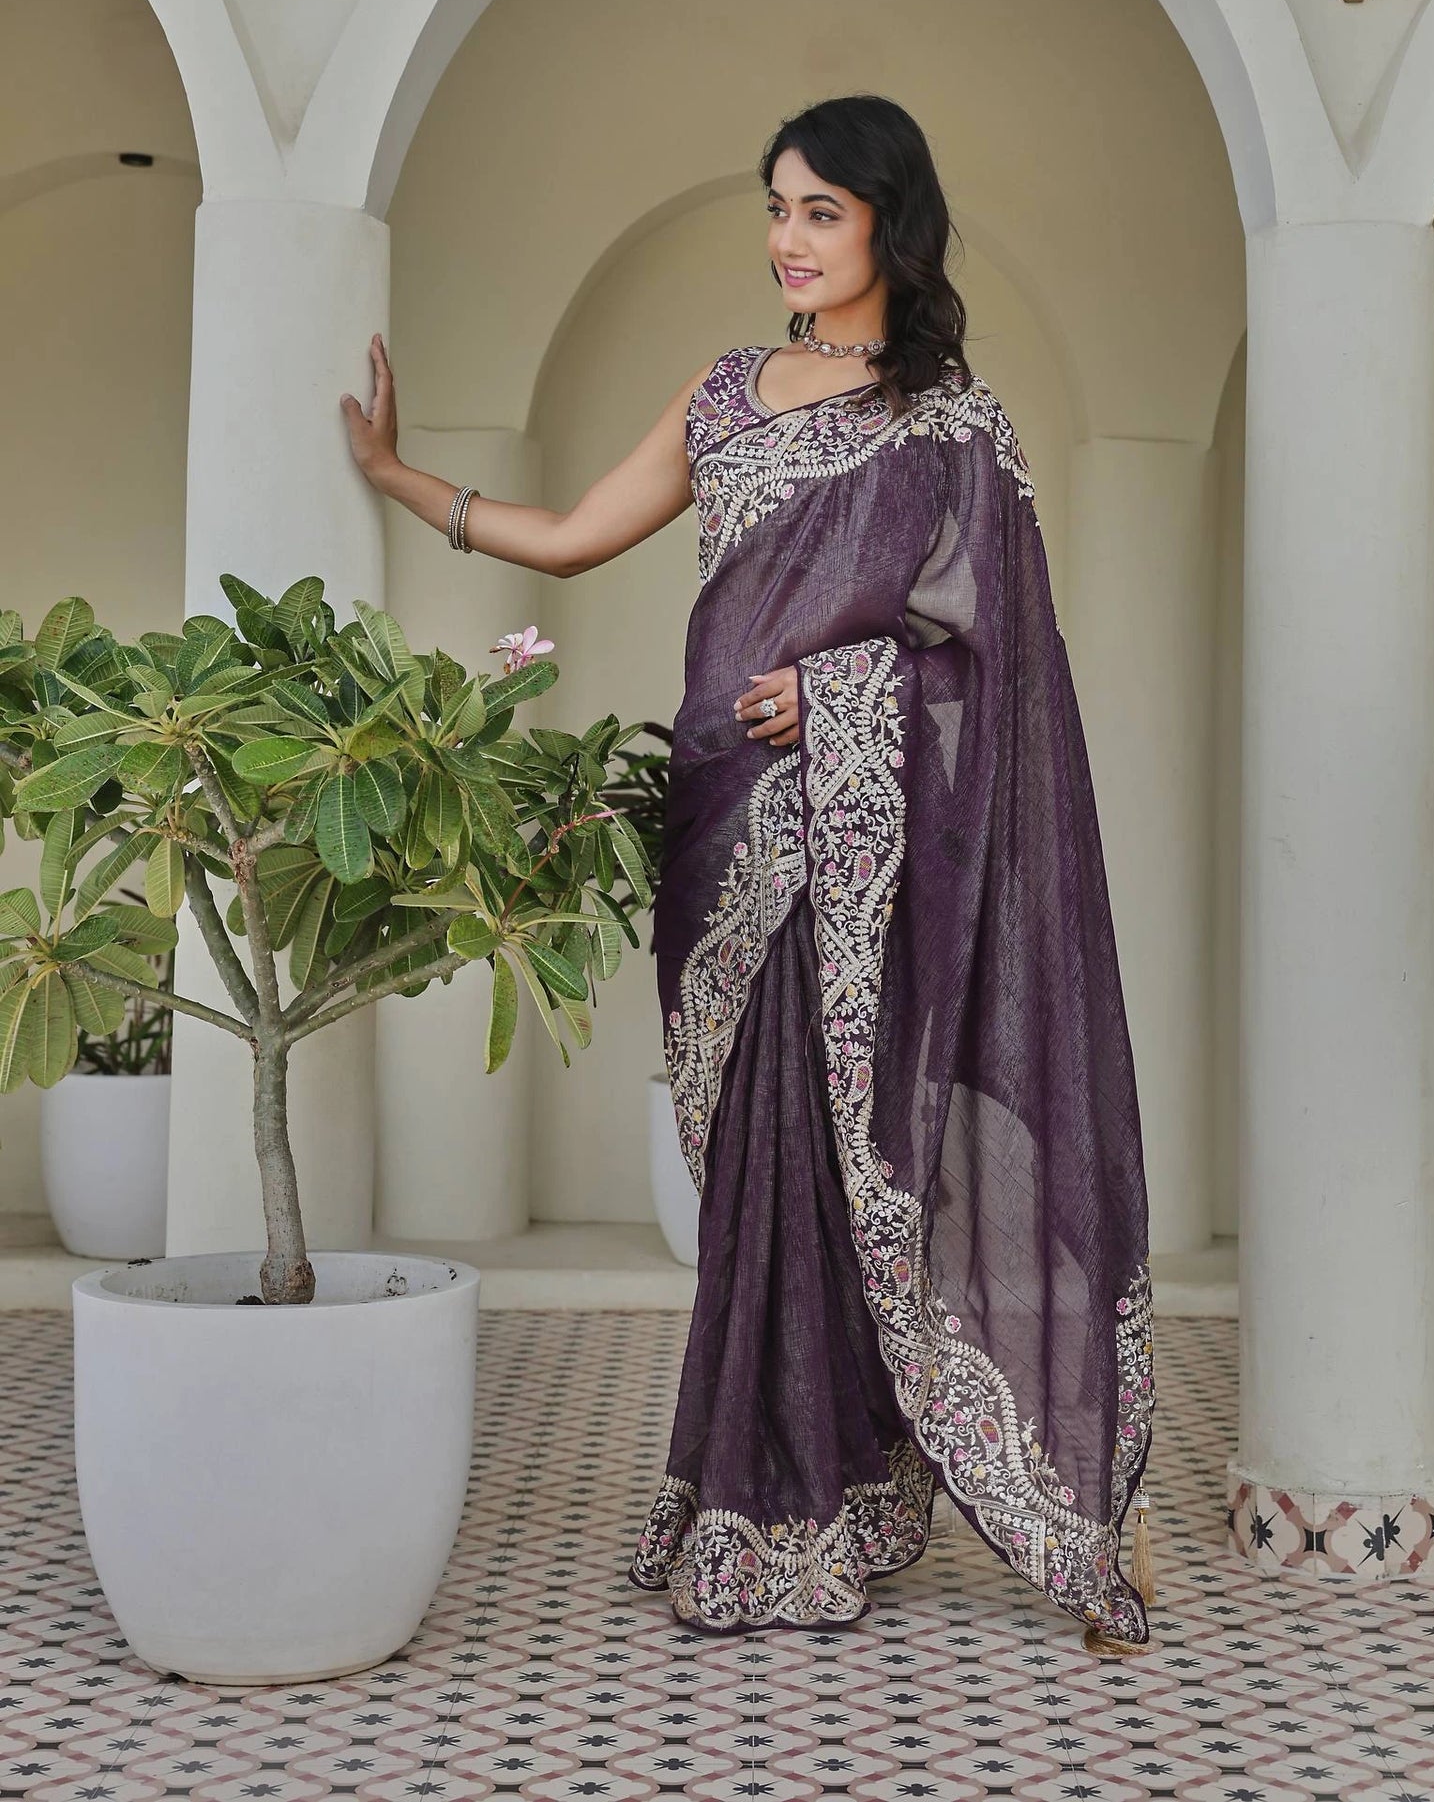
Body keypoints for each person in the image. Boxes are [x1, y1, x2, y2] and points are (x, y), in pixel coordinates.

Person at [342, 93, 1156, 1652]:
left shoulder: (954, 427)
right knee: (756, 1178)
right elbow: (579, 531)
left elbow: (1010, 674)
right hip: (726, 830)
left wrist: (847, 692)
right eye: (776, 209)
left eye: (820, 213)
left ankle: (804, 1503)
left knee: (828, 1159)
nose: (787, 239)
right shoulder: (723, 392)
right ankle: (774, 1485)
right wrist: (398, 477)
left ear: (887, 230)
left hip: (863, 851)